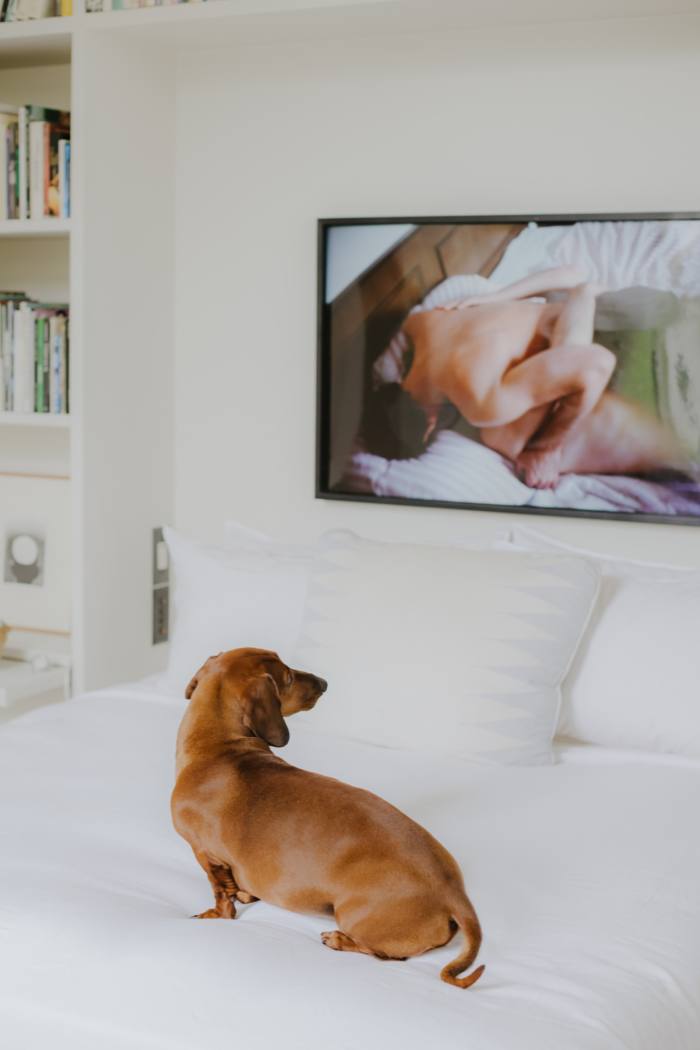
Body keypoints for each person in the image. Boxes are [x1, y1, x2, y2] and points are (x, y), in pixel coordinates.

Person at [361, 266, 688, 488]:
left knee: (509, 439)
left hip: (639, 336)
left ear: (428, 429)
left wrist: (546, 447)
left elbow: (594, 364)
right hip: (645, 304)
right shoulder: (425, 321)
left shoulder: (480, 403)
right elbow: (571, 273)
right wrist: (497, 297)